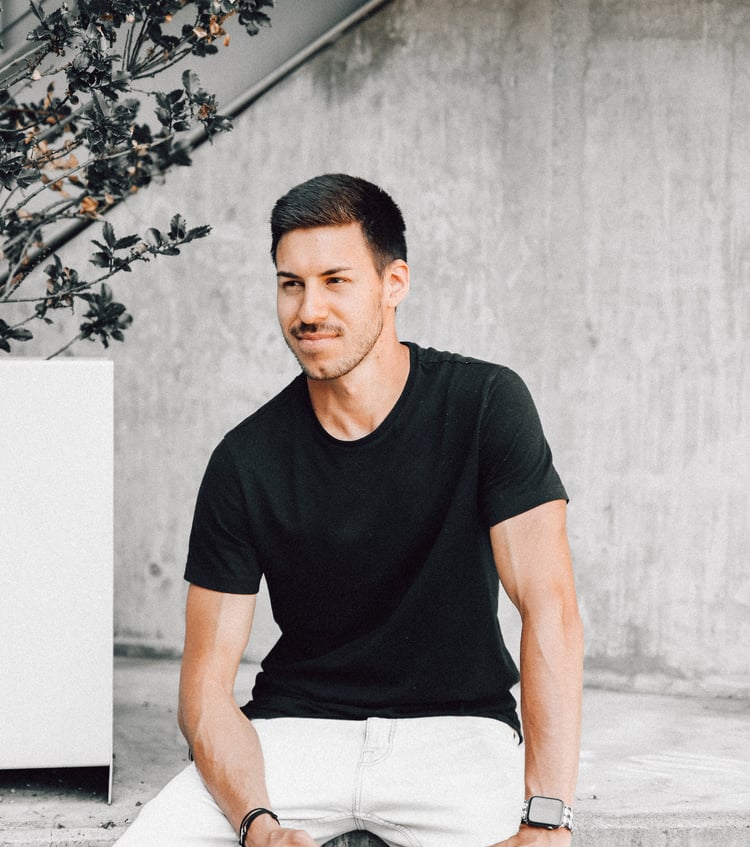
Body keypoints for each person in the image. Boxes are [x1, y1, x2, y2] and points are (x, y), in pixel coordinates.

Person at [114, 174, 583, 847]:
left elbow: (551, 610)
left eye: (335, 280)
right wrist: (258, 824)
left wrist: (547, 816)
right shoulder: (245, 459)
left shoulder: (485, 405)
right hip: (293, 734)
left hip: (457, 736)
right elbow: (205, 691)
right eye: (291, 283)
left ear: (394, 283)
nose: (309, 310)